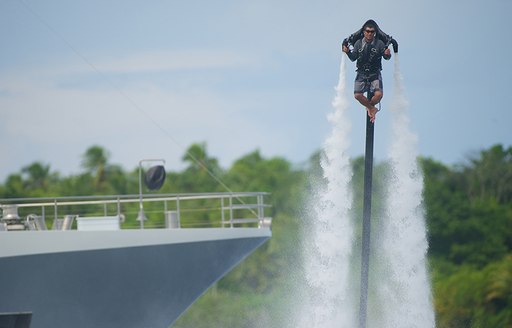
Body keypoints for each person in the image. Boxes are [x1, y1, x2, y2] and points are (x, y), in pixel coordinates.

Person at [342, 21, 391, 123]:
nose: (369, 34)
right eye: (367, 31)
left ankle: (370, 108)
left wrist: (387, 54)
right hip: (361, 73)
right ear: (364, 32)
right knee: (357, 95)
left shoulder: (380, 44)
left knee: (378, 94)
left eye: (372, 32)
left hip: (375, 73)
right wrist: (347, 52)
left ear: (374, 33)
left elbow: (386, 57)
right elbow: (353, 57)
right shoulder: (358, 43)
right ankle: (371, 108)